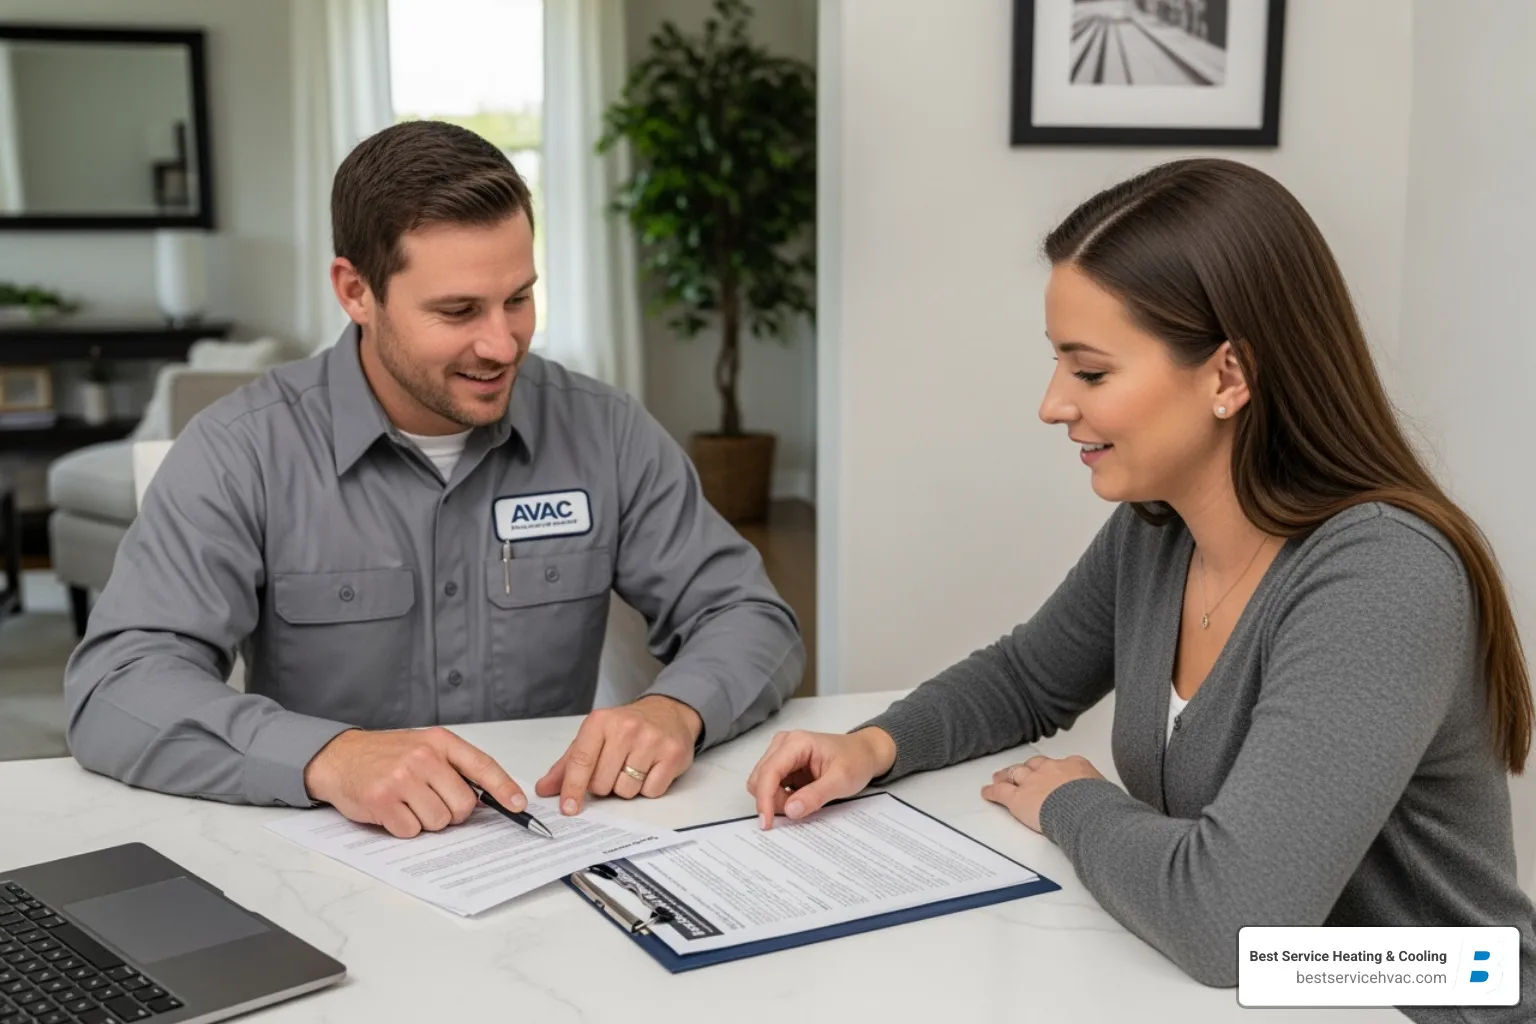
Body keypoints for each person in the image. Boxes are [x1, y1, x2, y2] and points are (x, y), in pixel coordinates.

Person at [745, 158, 1535, 1018]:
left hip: (1433, 992)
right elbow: (1027, 678)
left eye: (1089, 373)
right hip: (1253, 990)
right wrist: (872, 747)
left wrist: (1072, 802)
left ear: (1228, 377)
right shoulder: (1160, 528)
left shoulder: (1382, 577)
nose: (1053, 404)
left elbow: (1231, 926)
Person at [65, 120, 803, 839]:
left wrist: (677, 708)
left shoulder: (604, 430)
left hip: (548, 842)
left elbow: (749, 616)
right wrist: (327, 757)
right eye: (458, 311)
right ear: (356, 292)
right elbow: (115, 688)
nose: (500, 342)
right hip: (328, 861)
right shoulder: (242, 450)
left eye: (518, 298)